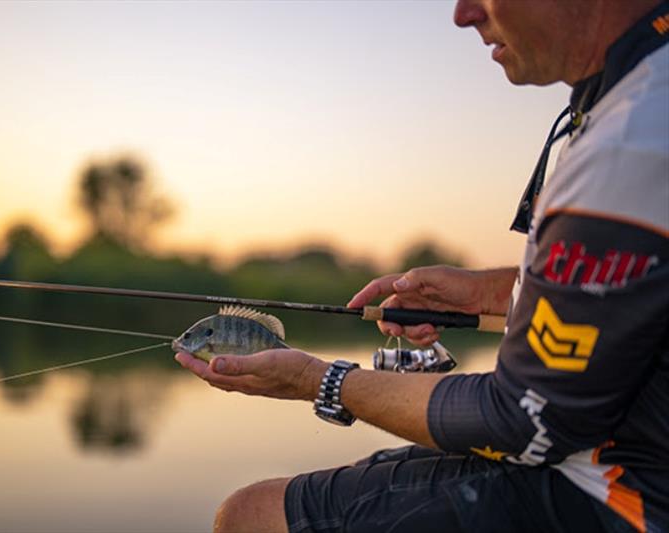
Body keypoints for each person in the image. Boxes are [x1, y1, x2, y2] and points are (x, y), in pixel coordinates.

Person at [175, 0, 669, 531]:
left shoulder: (631, 138)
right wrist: (491, 293)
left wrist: (317, 379)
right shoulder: (634, 91)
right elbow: (632, 291)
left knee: (252, 517)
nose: (463, 14)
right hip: (605, 456)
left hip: (623, 495)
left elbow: (523, 419)